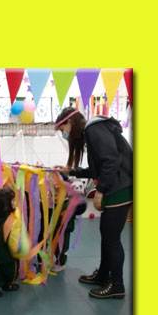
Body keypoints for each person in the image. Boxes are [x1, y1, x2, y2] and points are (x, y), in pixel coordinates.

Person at [54, 107, 133, 299]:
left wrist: (100, 190)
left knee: (111, 238)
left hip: (120, 187)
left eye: (63, 129)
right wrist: (71, 171)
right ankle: (103, 275)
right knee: (107, 235)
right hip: (118, 185)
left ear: (70, 122)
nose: (64, 134)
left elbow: (111, 162)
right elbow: (98, 169)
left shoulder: (94, 128)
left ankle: (117, 285)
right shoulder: (92, 132)